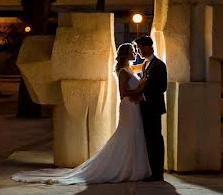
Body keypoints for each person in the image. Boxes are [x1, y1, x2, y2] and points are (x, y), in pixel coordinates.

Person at [11, 43, 151, 184]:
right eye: (133, 51)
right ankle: (124, 167)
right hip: (129, 106)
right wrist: (140, 90)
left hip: (134, 106)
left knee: (134, 134)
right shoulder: (123, 72)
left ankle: (132, 166)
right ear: (126, 54)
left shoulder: (130, 69)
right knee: (127, 134)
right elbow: (123, 93)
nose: (136, 53)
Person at [134, 36, 167, 182]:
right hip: (145, 107)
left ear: (149, 47)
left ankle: (158, 173)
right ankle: (152, 170)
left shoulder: (159, 65)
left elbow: (162, 87)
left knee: (155, 140)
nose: (139, 51)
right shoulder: (145, 64)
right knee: (149, 140)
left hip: (153, 107)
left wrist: (143, 94)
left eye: (140, 47)